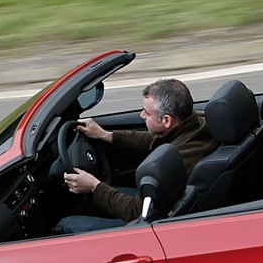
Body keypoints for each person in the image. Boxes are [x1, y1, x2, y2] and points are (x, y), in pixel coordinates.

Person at [60, 77, 217, 232]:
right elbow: (153, 139)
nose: (142, 115)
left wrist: (93, 186)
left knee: (66, 225)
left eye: (147, 113)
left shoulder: (178, 158)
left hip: (152, 222)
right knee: (89, 201)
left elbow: (135, 211)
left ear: (166, 121)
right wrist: (105, 135)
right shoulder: (197, 123)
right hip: (161, 202)